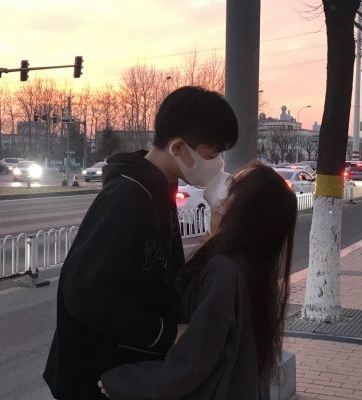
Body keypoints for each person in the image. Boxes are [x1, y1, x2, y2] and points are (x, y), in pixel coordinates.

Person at [43, 86, 238, 400]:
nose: (218, 164)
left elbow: (159, 273)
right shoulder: (126, 198)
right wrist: (165, 334)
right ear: (178, 148)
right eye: (211, 154)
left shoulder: (159, 190)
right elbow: (83, 292)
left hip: (126, 370)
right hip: (97, 378)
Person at [98, 161, 298, 400]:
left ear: (244, 207)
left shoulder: (224, 271)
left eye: (233, 183)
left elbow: (193, 362)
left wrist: (123, 381)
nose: (223, 182)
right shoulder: (251, 265)